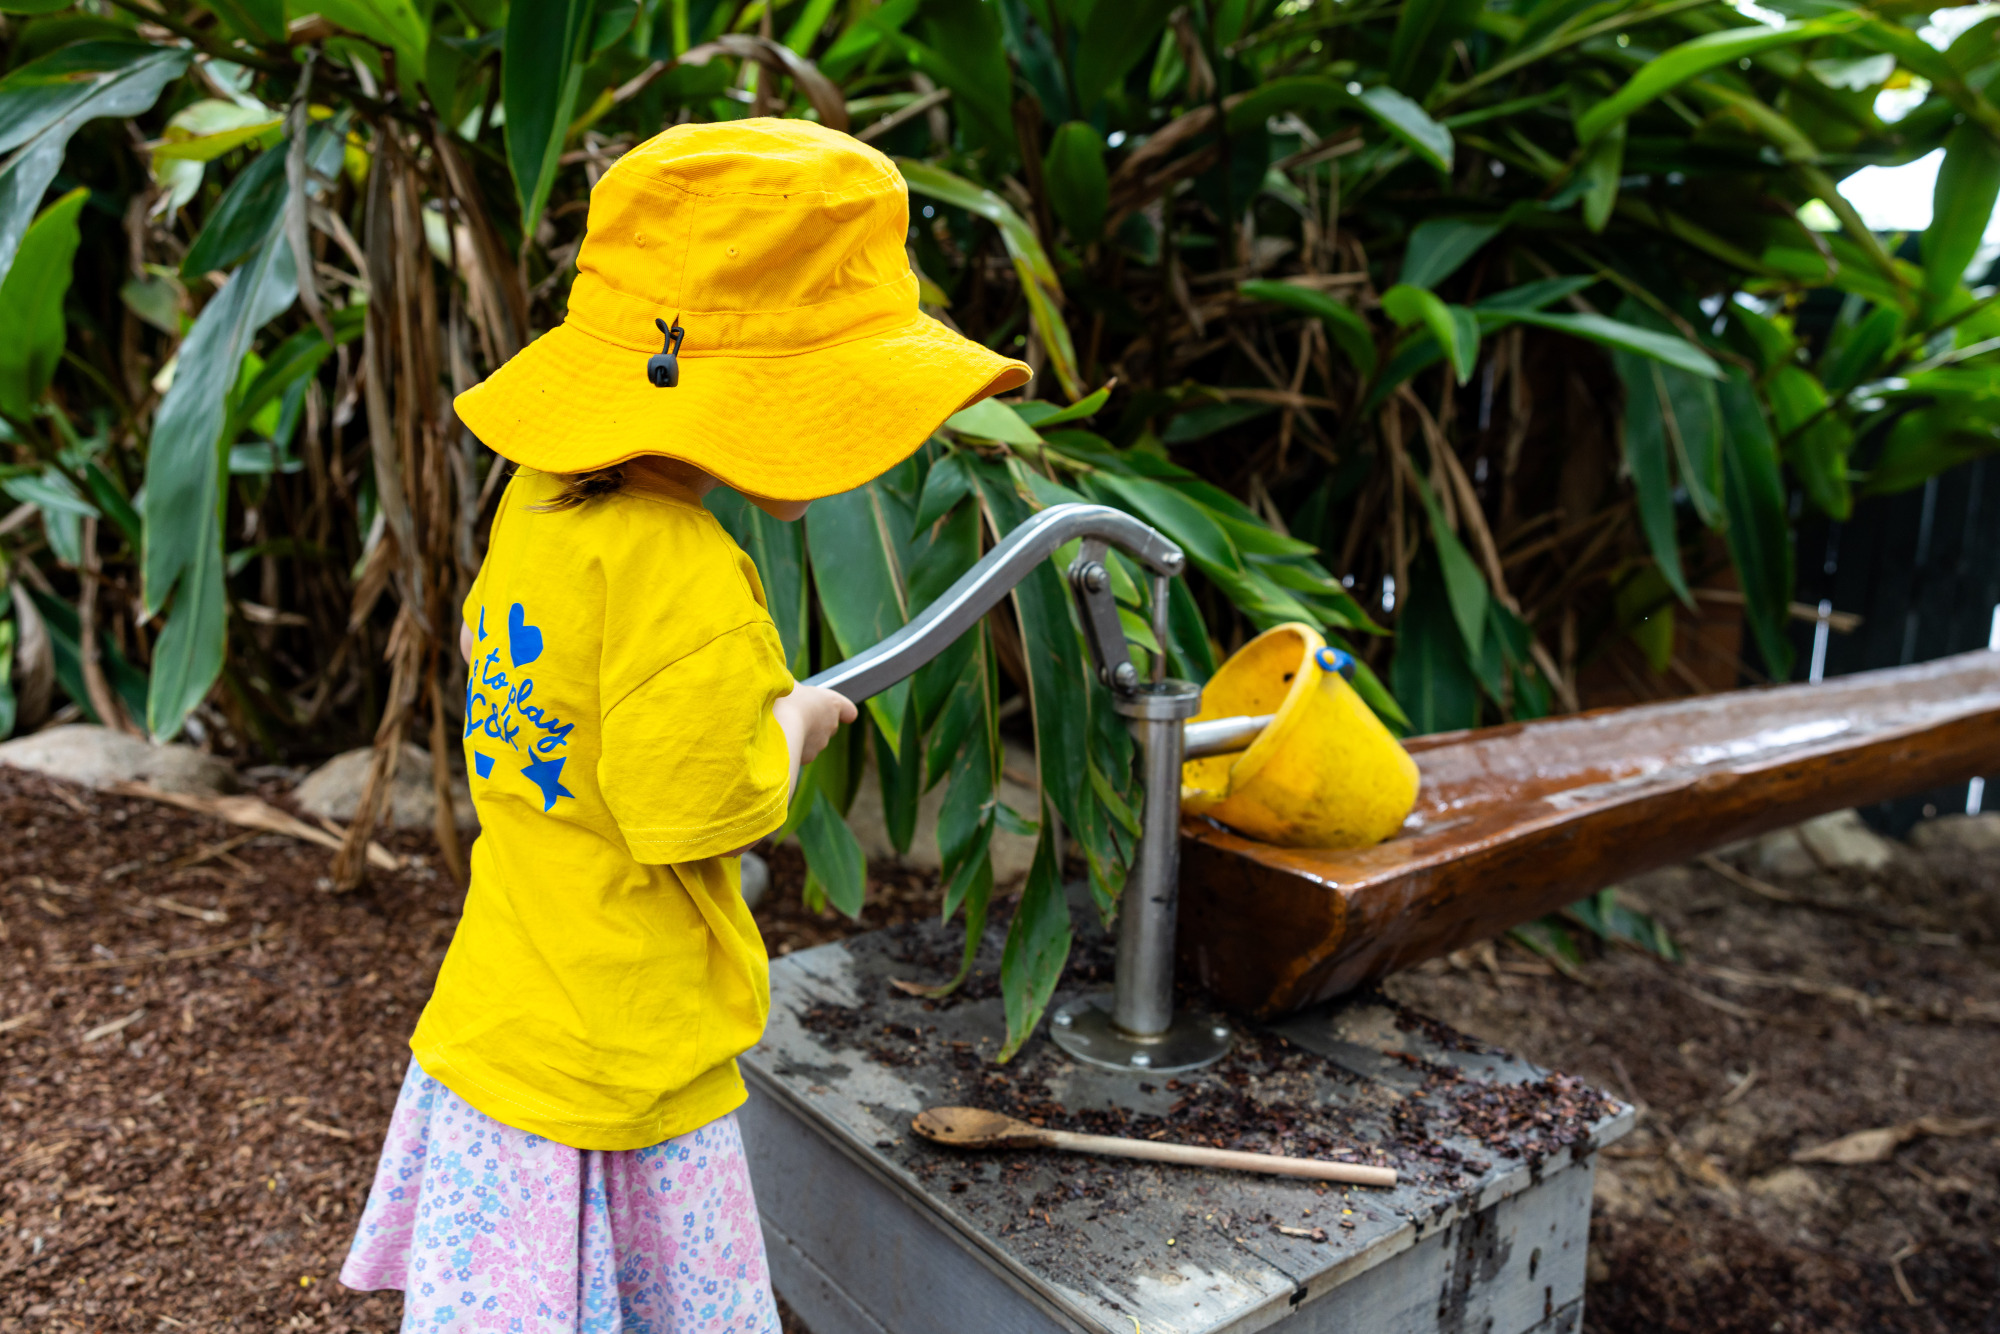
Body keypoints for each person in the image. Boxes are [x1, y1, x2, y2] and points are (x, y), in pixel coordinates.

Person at [338, 118, 1029, 1332]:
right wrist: (799, 721)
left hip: (509, 999)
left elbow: (535, 686)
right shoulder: (687, 572)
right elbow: (693, 802)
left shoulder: (541, 505)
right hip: (623, 1043)